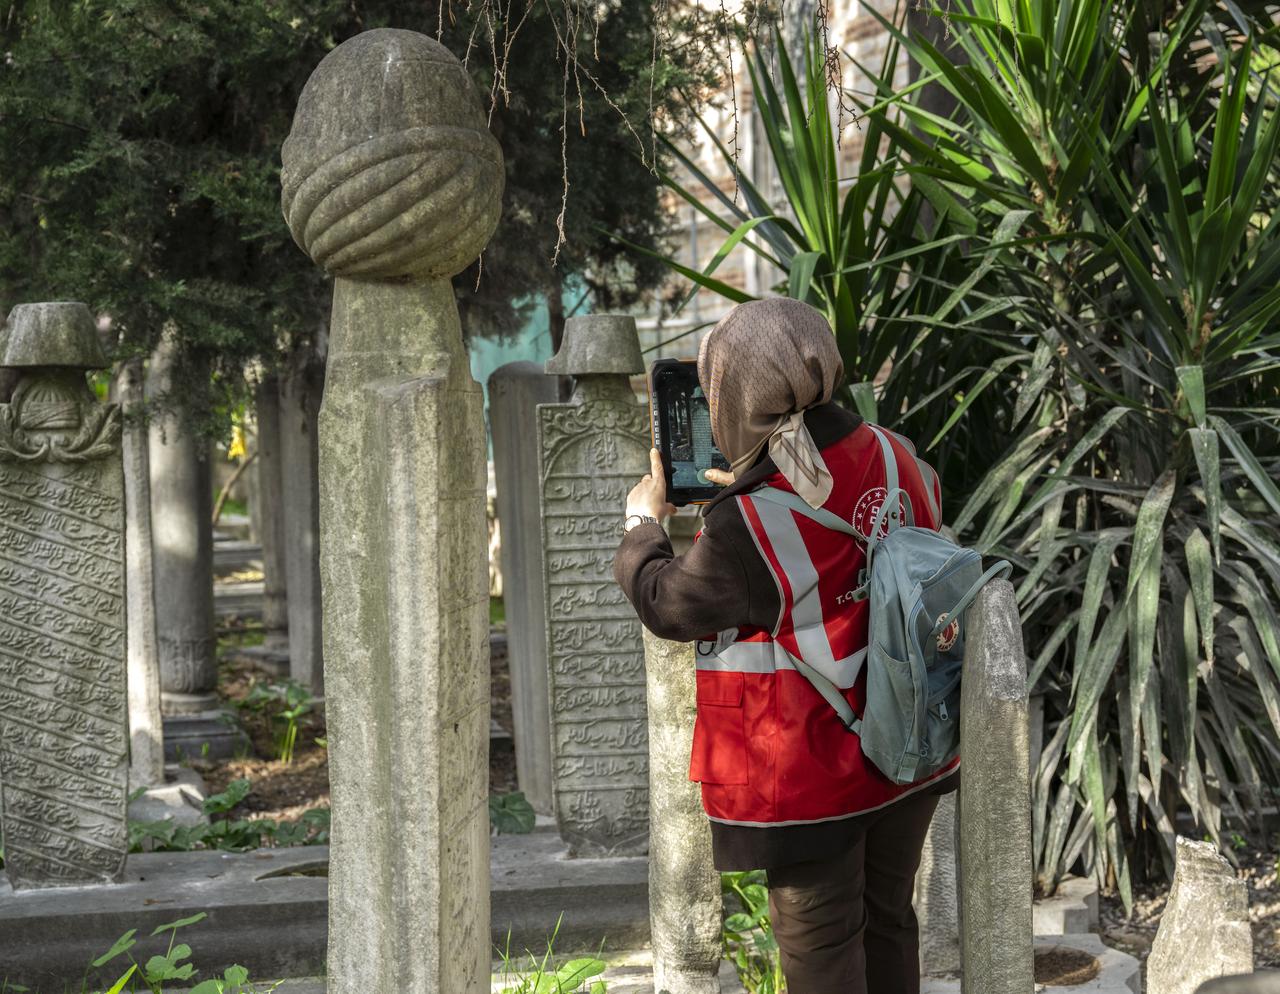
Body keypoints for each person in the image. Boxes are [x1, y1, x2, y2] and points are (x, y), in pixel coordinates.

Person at [613, 298, 959, 994]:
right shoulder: (900, 457)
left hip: (809, 777)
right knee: (890, 921)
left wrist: (642, 522)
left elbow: (667, 602)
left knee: (822, 951)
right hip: (904, 748)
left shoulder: (747, 521)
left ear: (736, 398)